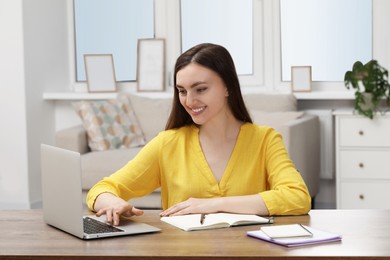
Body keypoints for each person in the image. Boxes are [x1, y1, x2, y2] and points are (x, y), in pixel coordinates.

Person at [86, 43, 311, 226]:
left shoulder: (265, 140)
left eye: (200, 89)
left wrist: (213, 204)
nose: (189, 101)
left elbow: (298, 197)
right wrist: (112, 202)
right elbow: (101, 190)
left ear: (227, 87)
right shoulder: (168, 144)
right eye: (182, 91)